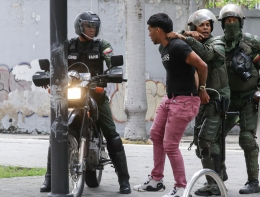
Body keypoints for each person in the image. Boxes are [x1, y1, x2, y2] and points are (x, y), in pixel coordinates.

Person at [40, 11, 131, 194]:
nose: (92, 30)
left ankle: (124, 180)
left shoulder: (101, 46)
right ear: (80, 27)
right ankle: (49, 178)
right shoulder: (68, 46)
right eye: (89, 26)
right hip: (71, 94)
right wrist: (48, 77)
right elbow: (55, 64)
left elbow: (110, 61)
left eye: (95, 27)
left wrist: (113, 71)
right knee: (57, 132)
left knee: (111, 135)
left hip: (95, 94)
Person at [133, 13, 208, 197]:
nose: (149, 34)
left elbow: (202, 66)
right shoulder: (165, 46)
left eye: (150, 30)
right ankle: (156, 180)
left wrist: (202, 89)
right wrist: (183, 33)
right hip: (170, 99)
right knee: (156, 135)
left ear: (158, 30)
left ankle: (181, 188)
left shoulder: (177, 46)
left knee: (170, 145)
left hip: (185, 100)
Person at [167, 9, 230, 196]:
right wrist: (185, 34)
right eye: (201, 25)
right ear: (193, 27)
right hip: (200, 99)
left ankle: (215, 183)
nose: (206, 28)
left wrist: (188, 37)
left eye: (208, 24)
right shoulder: (189, 42)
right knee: (201, 144)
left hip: (217, 99)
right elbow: (172, 42)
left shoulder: (217, 43)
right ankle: (218, 175)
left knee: (207, 141)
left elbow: (208, 55)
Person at [219, 4, 260, 194]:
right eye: (227, 21)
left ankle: (253, 181)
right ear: (222, 24)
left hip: (249, 98)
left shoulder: (253, 44)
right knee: (216, 137)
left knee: (247, 139)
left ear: (240, 23)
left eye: (234, 21)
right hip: (227, 98)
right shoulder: (218, 45)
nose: (231, 24)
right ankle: (218, 173)